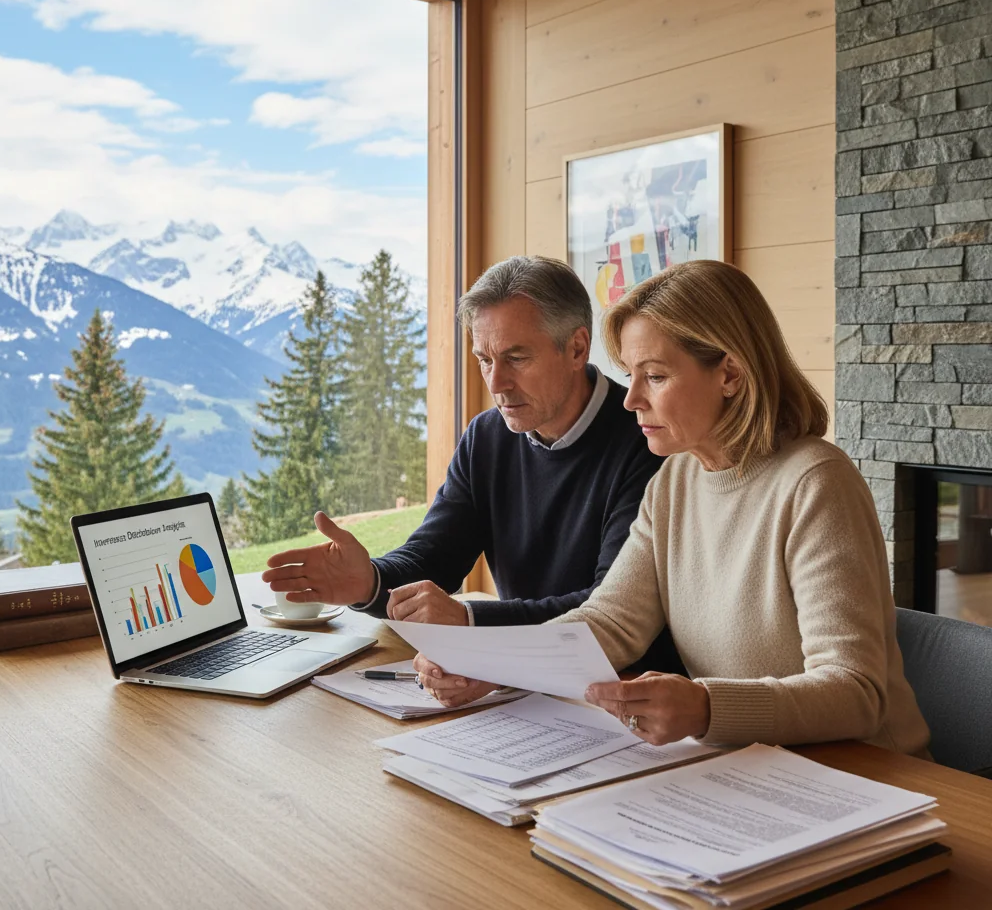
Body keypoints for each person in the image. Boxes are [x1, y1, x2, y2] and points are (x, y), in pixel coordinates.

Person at [418, 261, 930, 756]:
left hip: (868, 776)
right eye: (631, 375)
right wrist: (495, 664)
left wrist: (707, 707)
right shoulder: (675, 481)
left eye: (655, 377)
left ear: (729, 373)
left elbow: (857, 693)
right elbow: (610, 622)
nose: (631, 399)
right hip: (747, 764)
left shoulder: (817, 483)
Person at [262, 255, 681, 700]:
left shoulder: (647, 440)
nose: (497, 382)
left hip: (629, 696)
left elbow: (608, 610)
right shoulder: (488, 435)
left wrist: (472, 625)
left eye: (516, 358)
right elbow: (434, 557)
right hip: (523, 688)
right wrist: (368, 582)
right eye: (485, 359)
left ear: (577, 348)